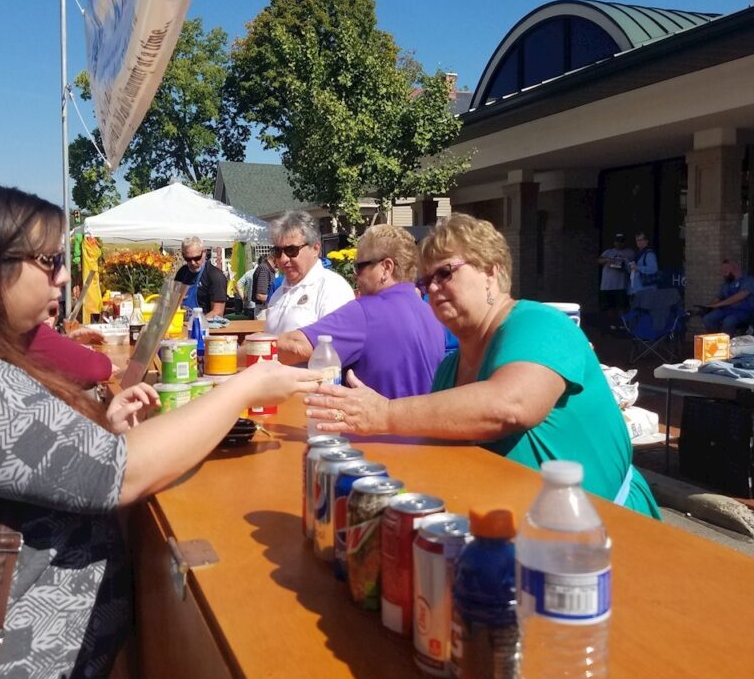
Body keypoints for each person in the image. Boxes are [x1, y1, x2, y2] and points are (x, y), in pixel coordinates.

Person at [0, 184, 319, 679]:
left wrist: (103, 422)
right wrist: (247, 385)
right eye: (49, 262)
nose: (61, 278)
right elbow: (127, 473)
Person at [304, 213, 660, 520]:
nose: (434, 289)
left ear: (492, 271)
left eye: (446, 273)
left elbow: (511, 405)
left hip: (605, 540)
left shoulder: (539, 324)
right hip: (514, 547)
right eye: (426, 282)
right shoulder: (451, 368)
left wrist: (384, 414)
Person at [276, 225, 445, 398]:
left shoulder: (364, 312)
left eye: (360, 266)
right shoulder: (432, 314)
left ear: (386, 268)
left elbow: (295, 346)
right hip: (423, 421)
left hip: (374, 423)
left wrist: (250, 351)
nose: (355, 275)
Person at [264, 212, 354, 335]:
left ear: (315, 249)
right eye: (278, 251)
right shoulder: (279, 293)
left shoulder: (333, 288)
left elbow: (336, 344)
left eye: (291, 250)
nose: (283, 259)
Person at [174, 236, 227, 317]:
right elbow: (174, 302)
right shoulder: (182, 273)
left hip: (204, 326)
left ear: (204, 252)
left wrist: (196, 323)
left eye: (196, 258)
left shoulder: (215, 276)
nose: (193, 262)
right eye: (188, 259)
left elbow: (217, 312)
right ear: (183, 254)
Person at [701, 260, 754, 335]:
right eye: (722, 272)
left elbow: (739, 297)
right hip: (727, 310)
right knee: (707, 319)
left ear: (734, 269)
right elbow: (718, 297)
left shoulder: (749, 280)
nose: (723, 275)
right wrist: (708, 306)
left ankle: (729, 344)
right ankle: (716, 339)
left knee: (728, 321)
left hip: (744, 312)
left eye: (725, 272)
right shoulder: (726, 284)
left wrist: (718, 305)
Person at [597, 232, 634, 328]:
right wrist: (608, 260)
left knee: (622, 306)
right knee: (610, 307)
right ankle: (612, 325)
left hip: (621, 285)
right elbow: (599, 260)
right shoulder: (608, 252)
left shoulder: (629, 252)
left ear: (624, 242)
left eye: (621, 241)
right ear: (614, 242)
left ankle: (623, 325)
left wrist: (622, 263)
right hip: (607, 285)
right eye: (617, 241)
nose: (619, 243)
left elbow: (632, 265)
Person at [252, 252, 277, 320]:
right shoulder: (264, 268)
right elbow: (260, 296)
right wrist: (278, 300)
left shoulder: (268, 269)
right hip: (263, 311)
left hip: (265, 310)